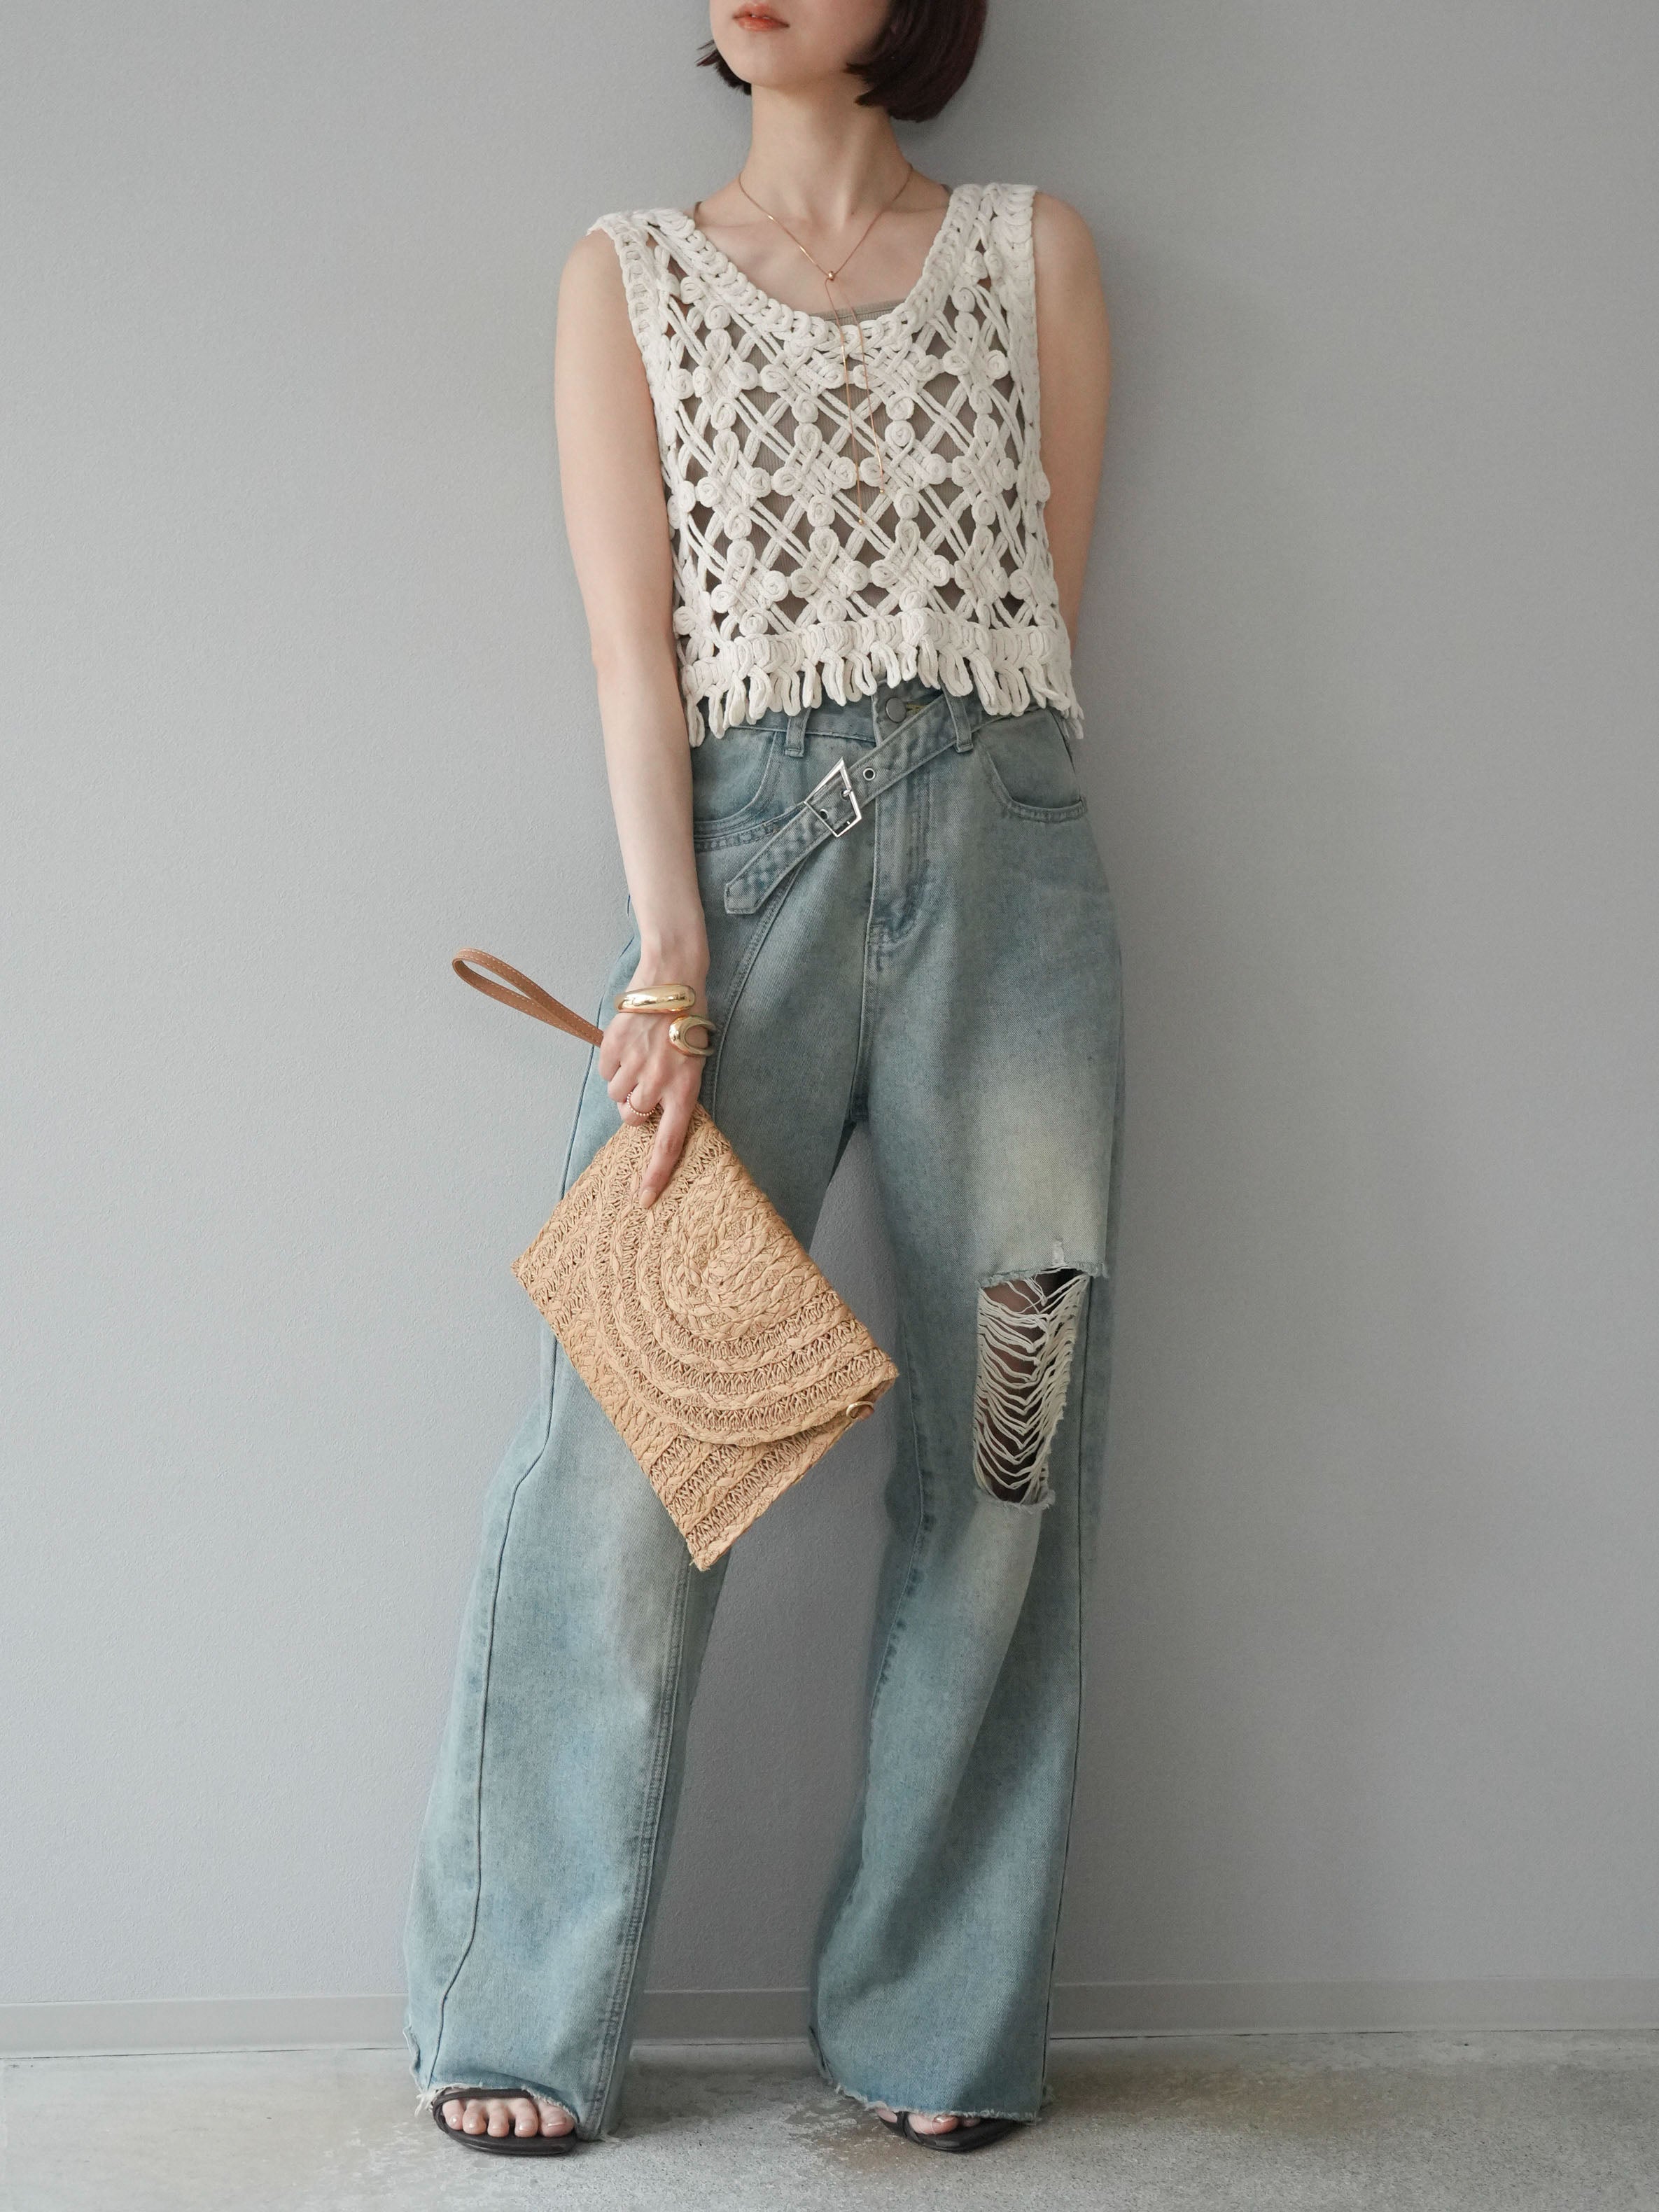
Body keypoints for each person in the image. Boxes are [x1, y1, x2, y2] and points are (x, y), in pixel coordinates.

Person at [405, 0, 1121, 2160]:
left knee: (1010, 1450)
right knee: (623, 1444)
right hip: (739, 870)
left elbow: (1046, 617)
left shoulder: (1031, 253)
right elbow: (629, 647)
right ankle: (518, 2012)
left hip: (1006, 885)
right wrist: (674, 953)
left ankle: (933, 2020)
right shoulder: (624, 273)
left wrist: (953, 821)